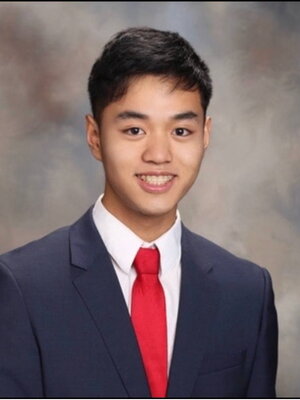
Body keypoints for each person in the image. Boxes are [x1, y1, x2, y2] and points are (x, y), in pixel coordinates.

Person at [0, 27, 277, 398]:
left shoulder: (246, 291)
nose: (159, 154)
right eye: (134, 130)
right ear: (95, 136)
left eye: (181, 130)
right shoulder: (21, 286)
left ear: (205, 136)